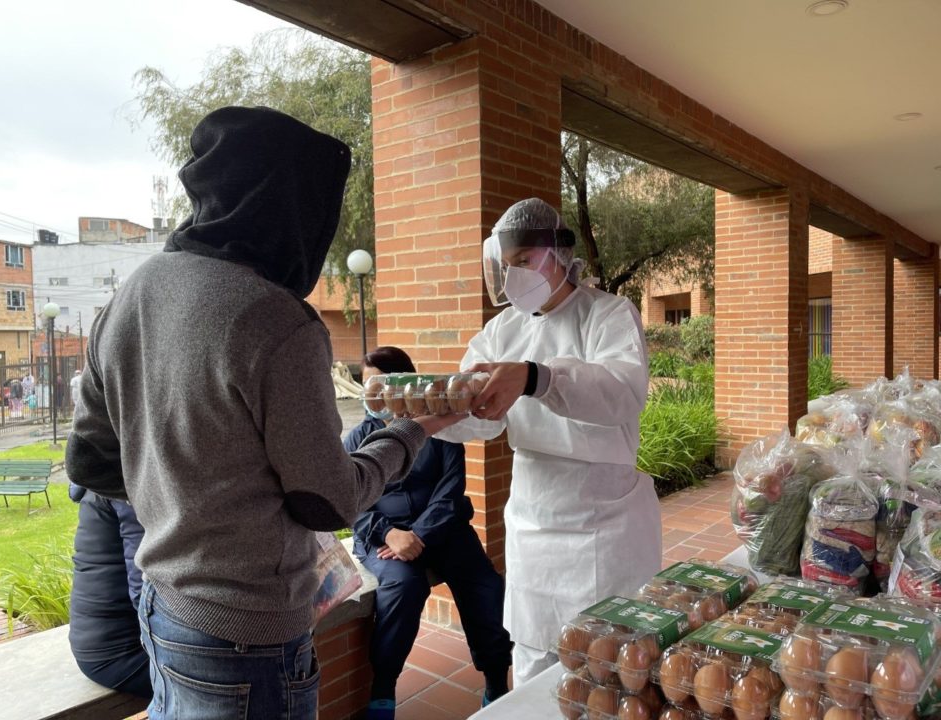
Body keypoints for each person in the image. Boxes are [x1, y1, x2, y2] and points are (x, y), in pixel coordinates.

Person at [64, 106, 462, 720]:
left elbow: (90, 456)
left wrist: (186, 506)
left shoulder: (134, 294)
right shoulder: (276, 321)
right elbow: (326, 500)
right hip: (246, 636)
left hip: (163, 605)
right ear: (291, 207)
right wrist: (414, 429)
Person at [436, 197, 662, 686]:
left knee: (611, 662)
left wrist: (537, 377)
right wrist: (431, 410)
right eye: (508, 264)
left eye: (525, 261)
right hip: (535, 518)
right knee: (536, 654)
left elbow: (622, 391)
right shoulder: (502, 330)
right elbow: (478, 418)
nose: (515, 274)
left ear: (560, 255)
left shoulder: (607, 315)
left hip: (604, 519)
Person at [345, 347, 512, 719]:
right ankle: (384, 689)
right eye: (366, 385)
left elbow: (451, 493)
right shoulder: (359, 438)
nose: (371, 395)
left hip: (443, 530)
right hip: (382, 539)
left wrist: (417, 534)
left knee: (485, 585)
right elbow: (349, 499)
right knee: (404, 586)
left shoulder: (442, 428)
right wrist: (388, 534)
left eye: (378, 384)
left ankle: (497, 682)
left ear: (402, 385)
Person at [68, 483, 152, 699]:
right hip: (120, 653)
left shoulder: (101, 474)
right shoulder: (125, 482)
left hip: (100, 640)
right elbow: (145, 592)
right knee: (235, 678)